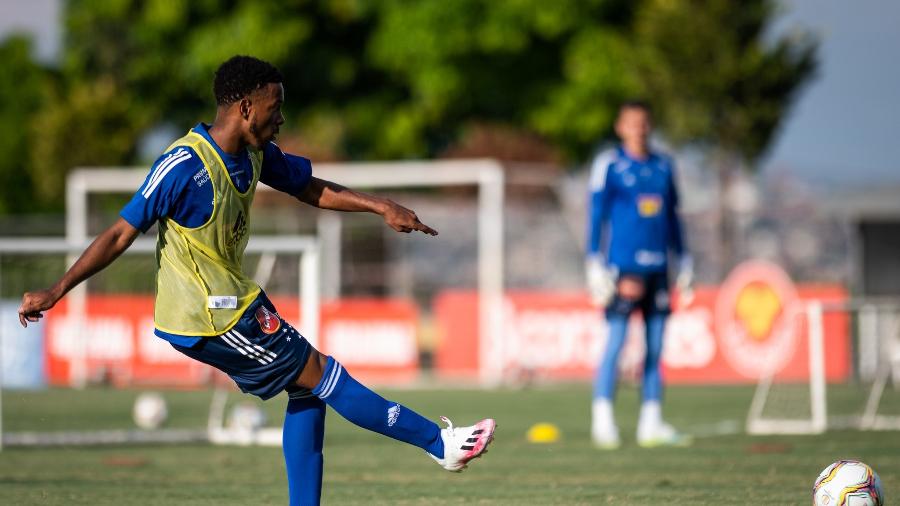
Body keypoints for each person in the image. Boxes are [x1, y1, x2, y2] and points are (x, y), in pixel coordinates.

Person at [18, 55, 495, 505]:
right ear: (247, 108)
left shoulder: (256, 153)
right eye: (276, 107)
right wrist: (56, 290)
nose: (281, 118)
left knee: (309, 388)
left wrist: (380, 206)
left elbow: (309, 188)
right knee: (324, 375)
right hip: (208, 316)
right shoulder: (183, 166)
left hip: (235, 303)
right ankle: (440, 444)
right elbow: (121, 232)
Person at [585, 100, 692, 449]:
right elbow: (596, 214)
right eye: (632, 123)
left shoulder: (664, 166)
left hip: (660, 267)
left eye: (644, 123)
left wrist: (685, 257)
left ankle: (651, 422)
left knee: (656, 346)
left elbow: (673, 216)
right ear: (620, 127)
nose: (639, 129)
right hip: (623, 267)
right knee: (616, 343)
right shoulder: (609, 165)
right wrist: (593, 260)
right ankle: (603, 420)